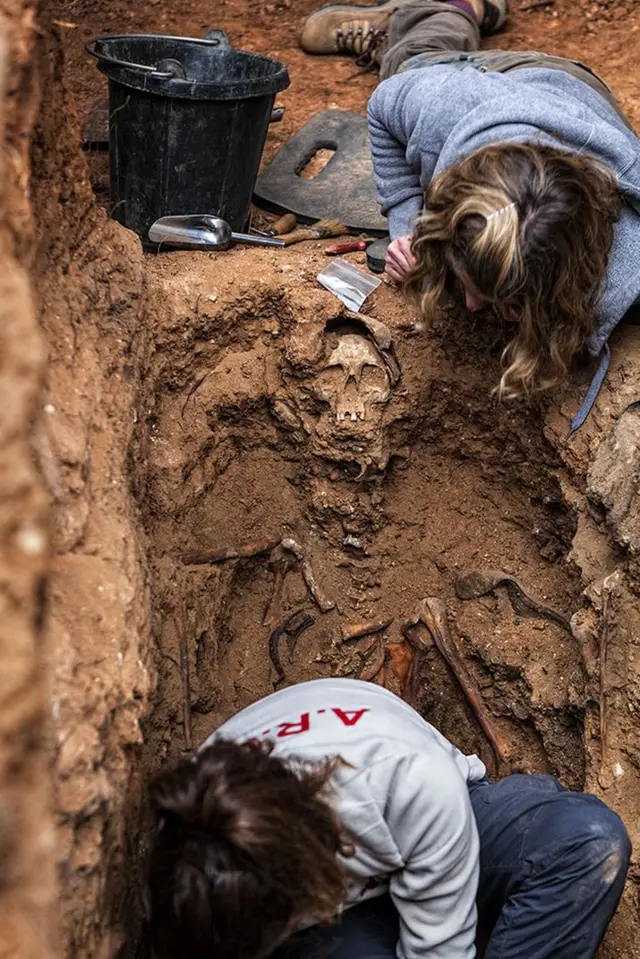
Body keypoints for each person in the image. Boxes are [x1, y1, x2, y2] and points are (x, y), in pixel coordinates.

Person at [298, 0, 640, 430]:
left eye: (498, 297)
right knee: (407, 61)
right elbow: (384, 106)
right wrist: (408, 228)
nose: (473, 307)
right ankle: (450, 10)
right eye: (474, 287)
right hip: (490, 79)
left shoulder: (624, 223)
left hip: (581, 94)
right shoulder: (446, 107)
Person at [146, 678, 630, 959]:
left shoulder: (410, 782)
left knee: (586, 844)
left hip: (437, 825)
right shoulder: (199, 842)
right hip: (336, 910)